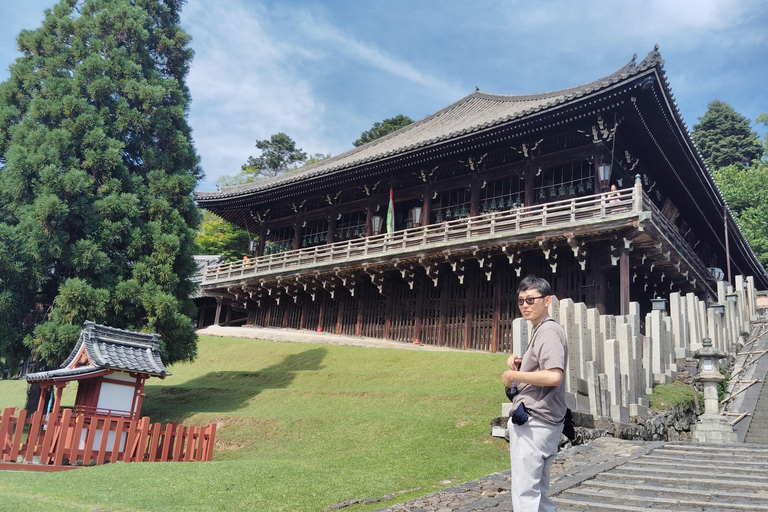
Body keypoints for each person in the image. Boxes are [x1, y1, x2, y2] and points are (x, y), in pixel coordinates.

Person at [501, 275, 568, 512]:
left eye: (531, 299)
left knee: (525, 492)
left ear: (547, 300)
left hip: (535, 420)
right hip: (545, 419)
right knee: (539, 492)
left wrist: (514, 377)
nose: (525, 305)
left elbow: (553, 376)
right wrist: (521, 368)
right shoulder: (541, 330)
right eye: (521, 301)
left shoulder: (548, 330)